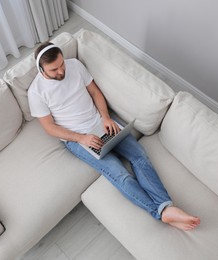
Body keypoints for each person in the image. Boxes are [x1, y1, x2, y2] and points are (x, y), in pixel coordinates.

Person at [28, 42, 200, 231]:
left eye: (62, 64)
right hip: (79, 139)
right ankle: (161, 212)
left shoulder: (75, 66)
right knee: (120, 175)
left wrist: (106, 117)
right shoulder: (36, 92)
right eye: (54, 69)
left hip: (101, 123)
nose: (61, 71)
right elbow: (50, 128)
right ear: (41, 69)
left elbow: (94, 92)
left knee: (139, 156)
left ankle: (166, 206)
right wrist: (80, 138)